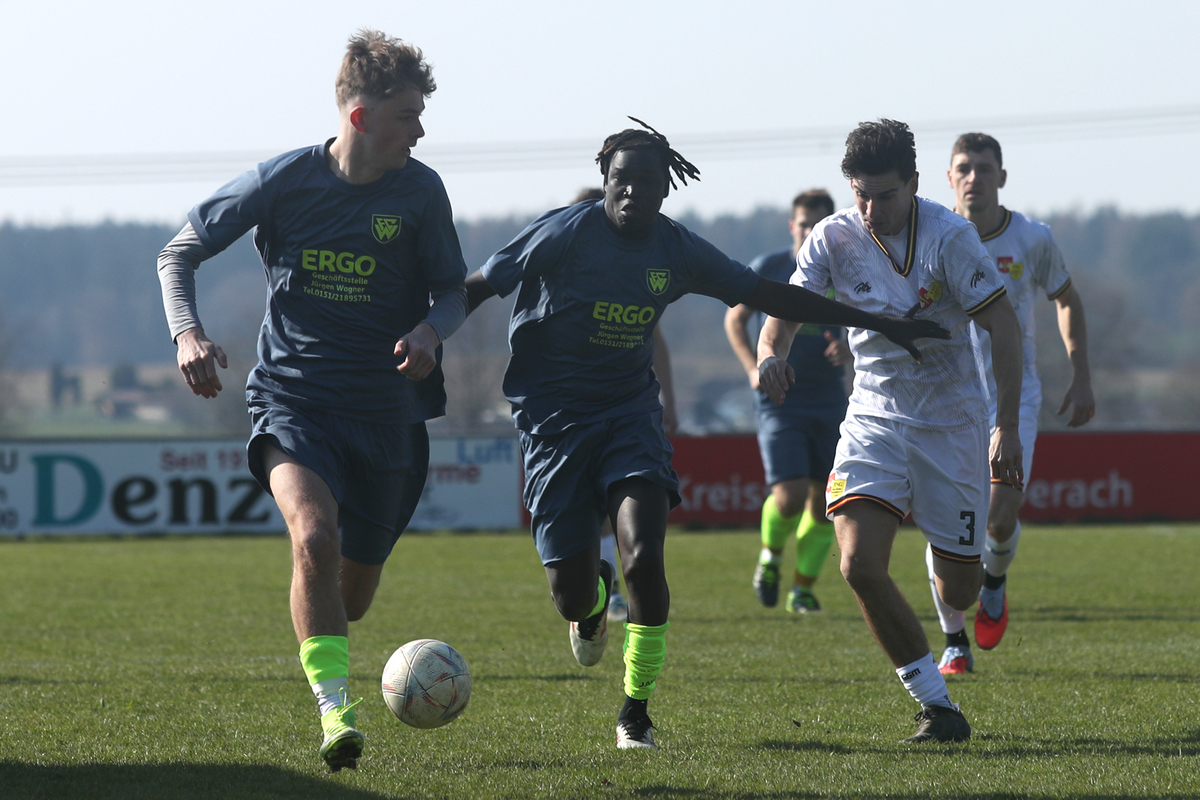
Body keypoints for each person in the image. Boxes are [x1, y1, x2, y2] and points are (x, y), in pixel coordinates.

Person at [465, 118, 947, 750]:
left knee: (645, 557)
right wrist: (421, 333)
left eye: (647, 183)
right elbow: (478, 286)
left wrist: (880, 322)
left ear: (666, 189)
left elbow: (771, 295)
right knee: (572, 597)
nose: (633, 192)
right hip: (554, 425)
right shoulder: (563, 233)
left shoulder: (676, 249)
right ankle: (593, 598)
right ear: (604, 180)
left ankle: (635, 712)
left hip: (629, 416)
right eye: (621, 181)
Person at [155, 30, 468, 771]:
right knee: (314, 539)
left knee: (351, 597)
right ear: (360, 116)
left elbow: (453, 292)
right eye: (408, 116)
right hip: (293, 401)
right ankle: (336, 714)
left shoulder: (421, 192)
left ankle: (329, 644)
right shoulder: (284, 181)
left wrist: (430, 329)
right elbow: (178, 253)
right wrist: (187, 335)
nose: (420, 131)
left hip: (389, 416)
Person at [758, 119, 1025, 743]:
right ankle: (937, 705)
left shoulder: (950, 237)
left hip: (952, 425)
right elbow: (785, 313)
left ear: (914, 184)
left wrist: (1006, 426)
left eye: (884, 195)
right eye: (861, 194)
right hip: (874, 417)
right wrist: (771, 352)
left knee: (958, 589)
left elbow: (1004, 328)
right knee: (857, 564)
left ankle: (962, 564)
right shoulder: (832, 237)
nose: (871, 209)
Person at [929, 133, 1095, 675]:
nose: (973, 177)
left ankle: (994, 580)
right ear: (949, 178)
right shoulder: (929, 235)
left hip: (1013, 396)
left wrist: (1081, 374)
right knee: (948, 522)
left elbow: (1065, 298)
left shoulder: (1031, 237)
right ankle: (954, 640)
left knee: (998, 516)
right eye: (963, 168)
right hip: (944, 398)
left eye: (984, 168)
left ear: (1001, 177)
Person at [725, 189, 848, 614]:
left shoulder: (844, 269)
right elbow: (735, 320)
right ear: (791, 225)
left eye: (818, 224)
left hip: (829, 398)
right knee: (791, 496)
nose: (810, 230)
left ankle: (802, 589)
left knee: (826, 500)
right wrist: (753, 367)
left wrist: (849, 350)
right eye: (803, 223)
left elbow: (865, 322)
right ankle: (771, 558)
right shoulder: (772, 268)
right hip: (780, 397)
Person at [571, 188, 680, 623]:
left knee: (622, 505)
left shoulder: (635, 275)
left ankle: (614, 593)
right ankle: (597, 591)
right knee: (586, 522)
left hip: (627, 411)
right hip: (568, 416)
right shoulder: (559, 270)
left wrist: (669, 400)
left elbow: (657, 341)